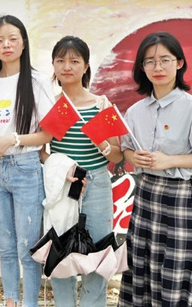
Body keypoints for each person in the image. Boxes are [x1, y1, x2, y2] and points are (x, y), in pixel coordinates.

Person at [118, 31, 192, 307]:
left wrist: (170, 160)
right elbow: (126, 150)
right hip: (145, 200)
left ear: (179, 63)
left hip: (180, 201)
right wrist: (135, 157)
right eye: (150, 61)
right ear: (142, 67)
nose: (157, 67)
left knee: (175, 282)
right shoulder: (135, 111)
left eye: (165, 60)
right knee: (139, 276)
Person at [0, 15, 55, 307]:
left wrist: (14, 139)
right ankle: (10, 301)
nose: (6, 45)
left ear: (23, 43)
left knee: (27, 249)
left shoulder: (37, 81)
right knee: (6, 247)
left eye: (12, 39)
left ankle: (29, 304)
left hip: (26, 168)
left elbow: (49, 132)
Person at [47, 36, 123, 306]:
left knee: (99, 254)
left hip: (97, 184)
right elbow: (40, 151)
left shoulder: (102, 105)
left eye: (74, 61)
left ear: (86, 66)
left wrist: (102, 144)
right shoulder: (50, 104)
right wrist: (62, 169)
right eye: (60, 61)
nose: (67, 67)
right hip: (63, 186)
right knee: (61, 254)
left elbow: (117, 154)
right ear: (54, 65)